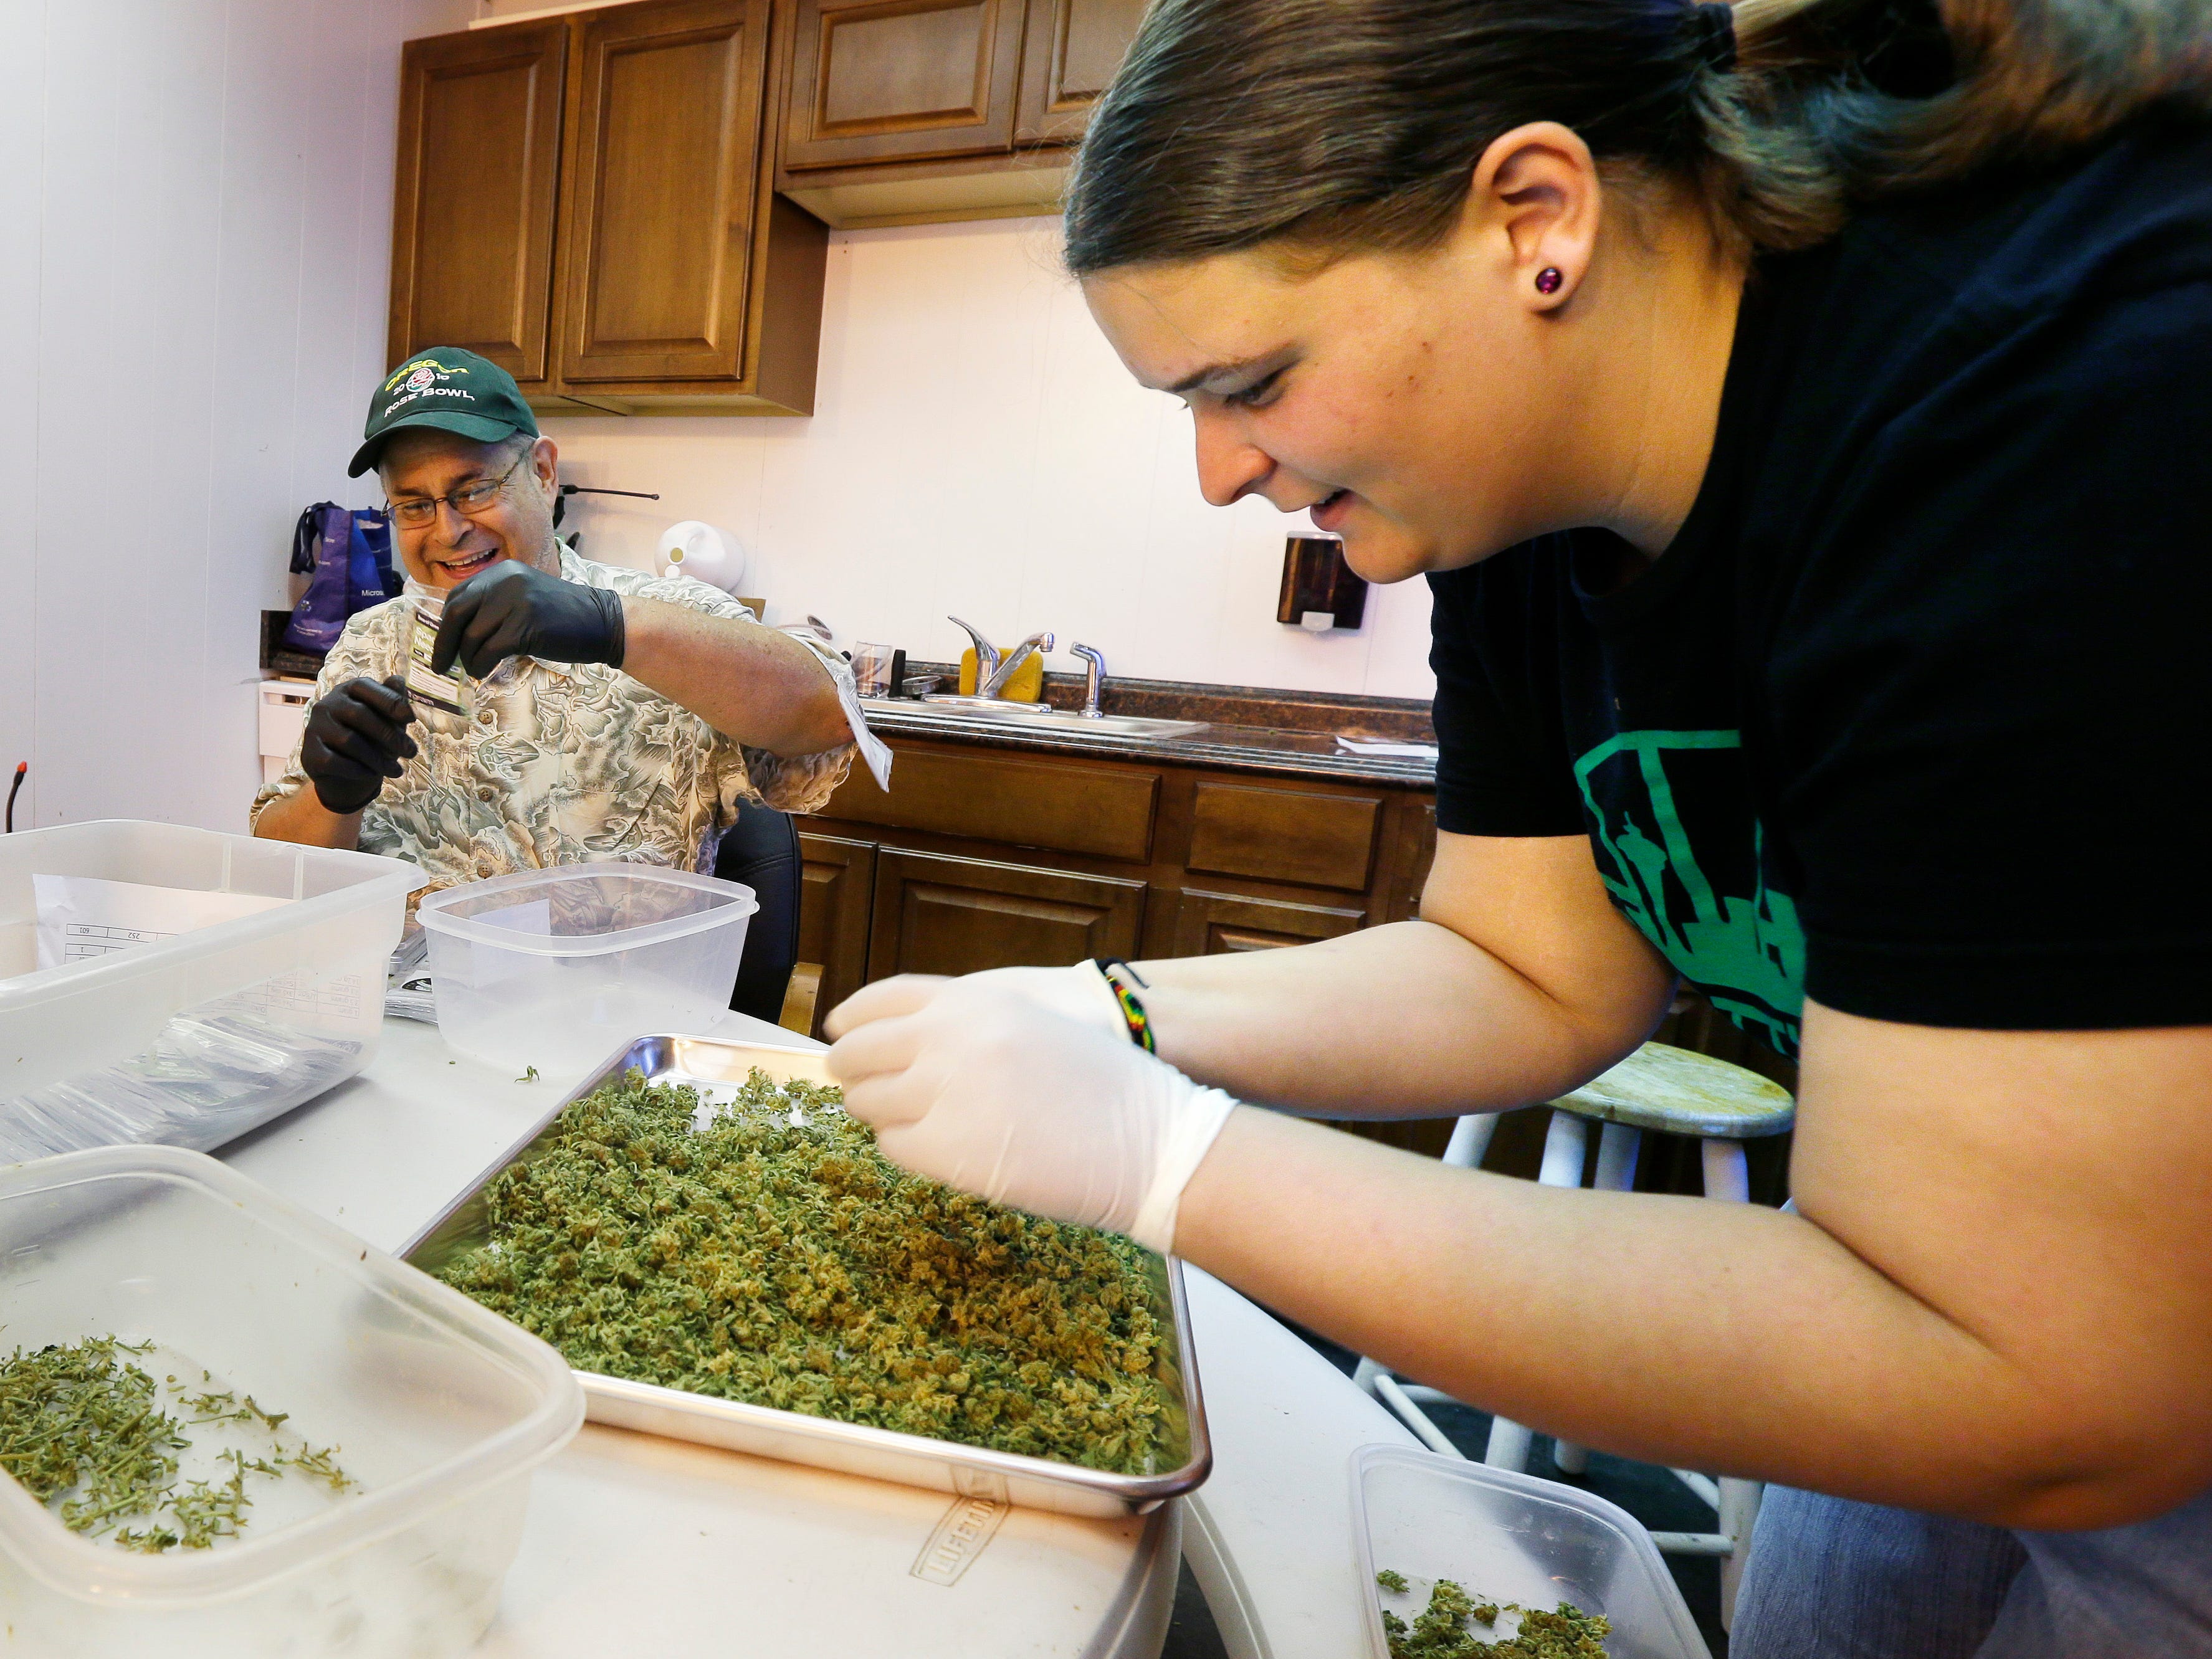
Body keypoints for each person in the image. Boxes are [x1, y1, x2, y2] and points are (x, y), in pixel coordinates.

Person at [819, 0, 2212, 1652]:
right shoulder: (1501, 499)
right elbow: (1529, 963)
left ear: (1533, 221)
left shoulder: (2043, 414)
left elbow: (2048, 1379)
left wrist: (1165, 1156)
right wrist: (1113, 1009)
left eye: (1251, 381)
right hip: (1959, 1270)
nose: (1212, 472)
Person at [254, 349, 884, 888]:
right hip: (403, 1003)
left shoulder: (668, 622)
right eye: (415, 504)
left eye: (473, 488)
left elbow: (830, 715)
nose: (448, 530)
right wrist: (332, 795)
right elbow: (281, 867)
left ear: (545, 472)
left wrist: (611, 628)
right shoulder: (372, 642)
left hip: (603, 1007)